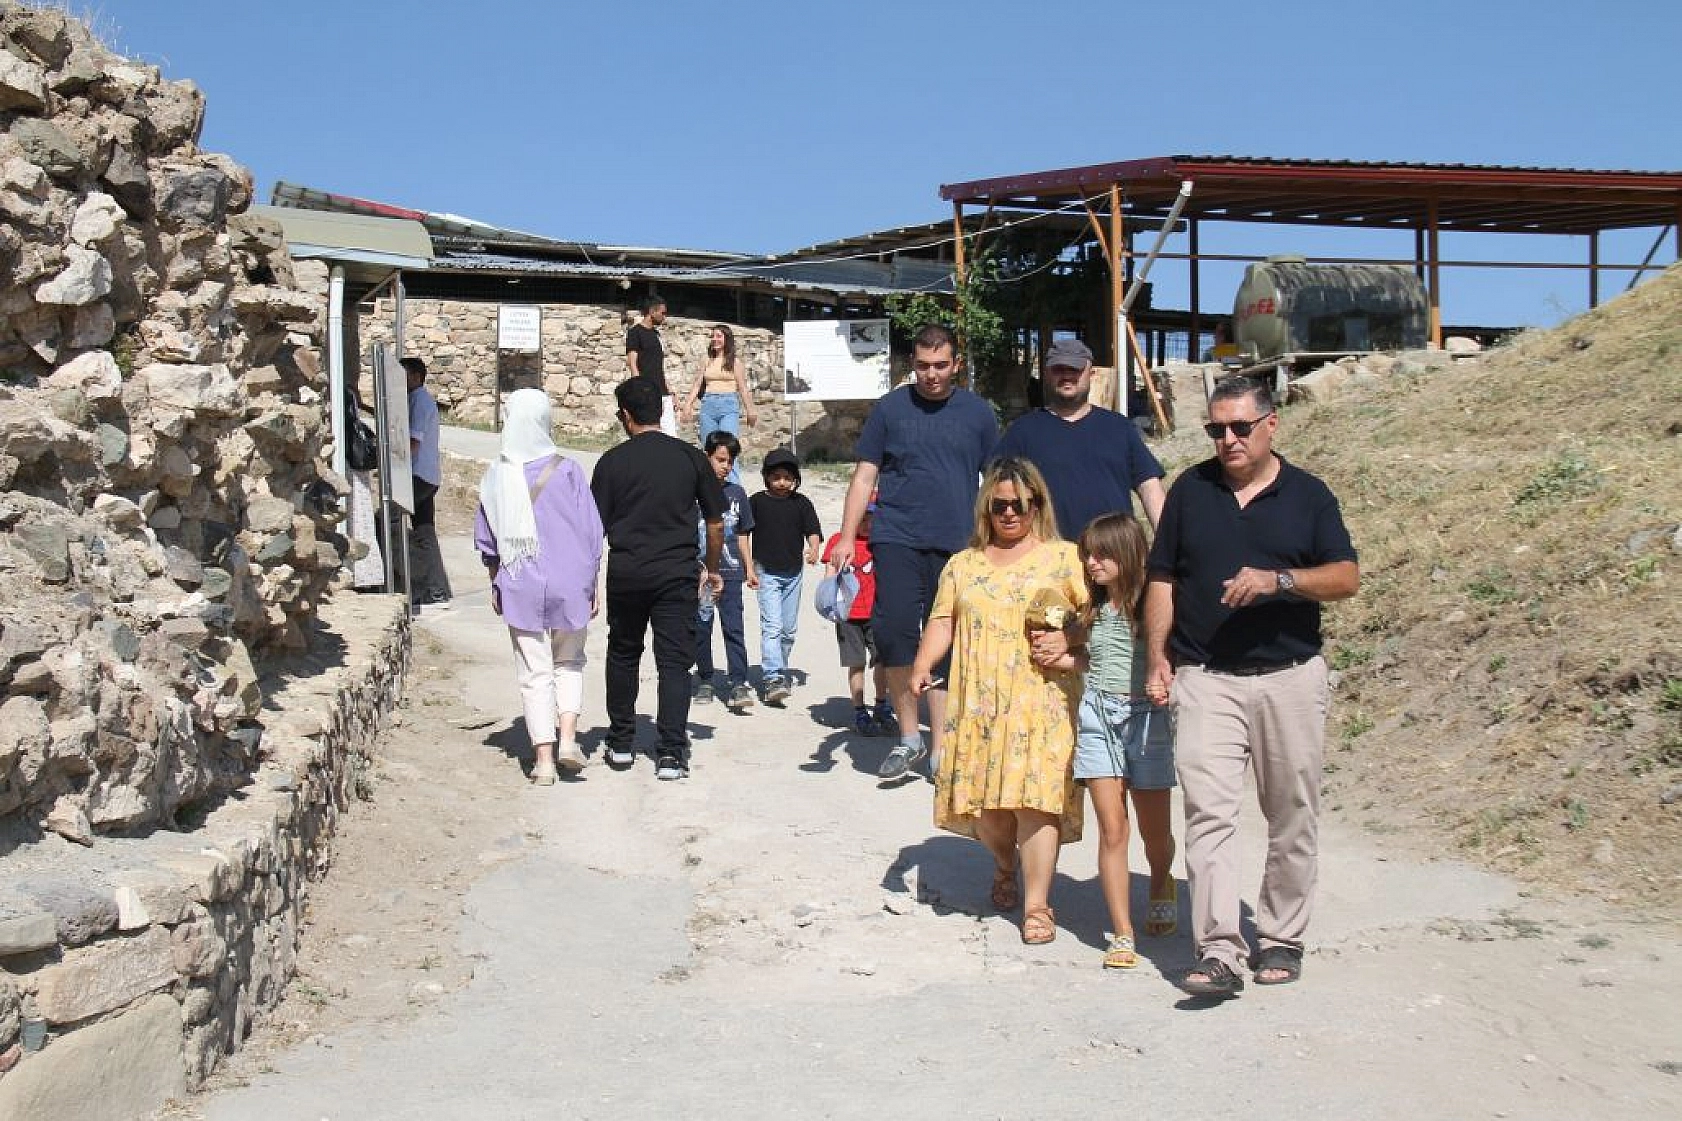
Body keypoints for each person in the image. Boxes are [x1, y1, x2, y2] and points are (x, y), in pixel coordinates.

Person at [1144, 375, 1359, 996]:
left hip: (1289, 679)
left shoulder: (1309, 496)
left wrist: (1278, 583)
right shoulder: (1191, 489)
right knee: (1208, 815)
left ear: (1271, 425)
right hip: (1206, 677)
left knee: (1291, 814)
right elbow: (1162, 578)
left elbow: (1345, 576)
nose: (1228, 440)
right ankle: (1218, 951)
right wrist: (1159, 657)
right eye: (1217, 429)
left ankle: (1282, 937)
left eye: (1240, 427)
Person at [909, 457, 1086, 946]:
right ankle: (1005, 864)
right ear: (986, 508)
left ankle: (1037, 905)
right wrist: (924, 665)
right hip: (980, 705)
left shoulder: (1065, 558)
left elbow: (1095, 617)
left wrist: (1070, 641)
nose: (1010, 514)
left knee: (1038, 799)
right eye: (999, 505)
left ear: (1037, 505)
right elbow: (944, 619)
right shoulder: (962, 565)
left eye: (1020, 505)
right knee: (991, 812)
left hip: (1043, 699)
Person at [829, 323, 999, 781]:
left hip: (957, 543)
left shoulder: (978, 414)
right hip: (897, 536)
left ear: (956, 365)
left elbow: (997, 484)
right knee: (894, 634)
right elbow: (865, 475)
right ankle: (909, 739)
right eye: (923, 366)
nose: (931, 375)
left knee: (944, 645)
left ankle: (941, 749)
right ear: (912, 365)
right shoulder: (890, 410)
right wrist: (847, 536)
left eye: (941, 365)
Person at [591, 377, 726, 780]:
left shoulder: (611, 462)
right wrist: (713, 568)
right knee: (673, 664)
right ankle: (670, 753)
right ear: (663, 413)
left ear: (625, 416)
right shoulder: (690, 458)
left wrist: (585, 582)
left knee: (623, 654)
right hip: (676, 574)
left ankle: (619, 743)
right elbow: (716, 523)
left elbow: (591, 531)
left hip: (627, 573)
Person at [473, 388, 603, 784]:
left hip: (519, 580)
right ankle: (567, 738)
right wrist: (594, 580)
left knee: (534, 670)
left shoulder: (497, 474)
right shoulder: (568, 469)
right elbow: (592, 531)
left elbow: (487, 539)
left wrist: (495, 582)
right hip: (571, 579)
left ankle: (543, 761)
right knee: (569, 661)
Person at [1066, 513, 1177, 970]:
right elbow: (1084, 655)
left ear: (1127, 554)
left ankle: (1161, 878)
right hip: (1098, 716)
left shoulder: (1151, 605)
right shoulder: (1091, 608)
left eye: (1101, 554)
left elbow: (1171, 654)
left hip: (1146, 718)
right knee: (1112, 827)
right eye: (1087, 554)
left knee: (1154, 833)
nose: (1091, 563)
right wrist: (1067, 653)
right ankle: (1122, 932)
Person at [993, 338, 1165, 537]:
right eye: (1059, 369)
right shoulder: (1023, 431)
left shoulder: (1119, 427)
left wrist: (1167, 549)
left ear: (1091, 374)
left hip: (1114, 554)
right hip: (1048, 556)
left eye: (1074, 369)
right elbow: (996, 492)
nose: (1066, 376)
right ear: (1047, 374)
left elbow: (1149, 487)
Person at [749, 447, 821, 705]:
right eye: (776, 476)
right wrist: (748, 566)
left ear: (795, 479)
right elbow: (742, 534)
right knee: (773, 626)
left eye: (787, 478)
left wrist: (813, 548)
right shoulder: (756, 502)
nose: (782, 482)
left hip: (793, 574)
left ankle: (780, 668)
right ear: (767, 477)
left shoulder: (801, 503)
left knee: (788, 630)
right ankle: (772, 677)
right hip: (766, 572)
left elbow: (813, 530)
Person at [693, 430, 758, 713]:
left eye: (730, 461)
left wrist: (749, 567)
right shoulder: (691, 494)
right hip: (703, 576)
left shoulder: (737, 494)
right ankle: (706, 678)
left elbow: (743, 535)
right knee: (702, 627)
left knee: (733, 628)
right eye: (720, 459)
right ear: (707, 456)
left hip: (730, 574)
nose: (726, 466)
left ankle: (738, 681)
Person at [819, 497, 893, 736]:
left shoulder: (882, 542)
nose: (867, 523)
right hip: (848, 615)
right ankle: (860, 710)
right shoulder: (838, 542)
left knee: (883, 661)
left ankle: (882, 705)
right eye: (862, 517)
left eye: (871, 517)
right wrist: (828, 603)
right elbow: (829, 577)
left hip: (877, 613)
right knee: (856, 663)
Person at [401, 356, 452, 607]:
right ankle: (437, 589)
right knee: (424, 532)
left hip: (418, 475)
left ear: (416, 377)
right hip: (427, 475)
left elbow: (413, 442)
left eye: (404, 374)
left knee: (388, 521)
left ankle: (404, 583)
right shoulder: (415, 399)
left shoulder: (420, 401)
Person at [678, 323, 758, 450]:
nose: (714, 339)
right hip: (708, 404)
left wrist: (751, 410)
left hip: (728, 404)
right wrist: (688, 405)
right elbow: (697, 385)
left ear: (727, 339)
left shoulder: (735, 362)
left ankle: (731, 470)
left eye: (718, 336)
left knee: (728, 446)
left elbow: (742, 388)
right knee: (710, 446)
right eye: (713, 336)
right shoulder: (707, 360)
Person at [625, 296, 677, 436]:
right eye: (663, 313)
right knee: (648, 434)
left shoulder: (656, 334)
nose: (664, 316)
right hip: (647, 391)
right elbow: (632, 362)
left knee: (670, 435)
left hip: (663, 392)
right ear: (652, 312)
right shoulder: (635, 333)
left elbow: (658, 365)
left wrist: (670, 391)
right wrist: (638, 388)